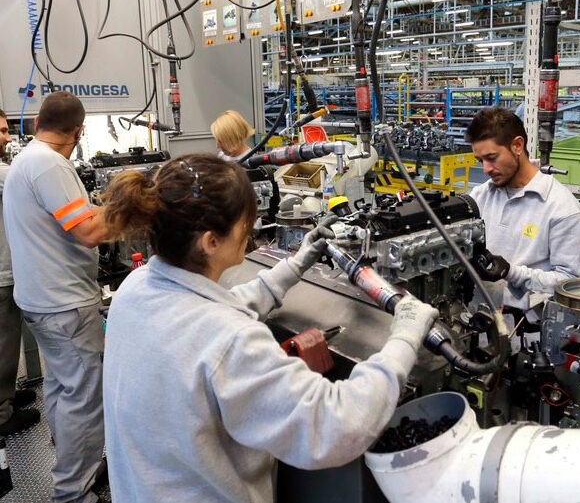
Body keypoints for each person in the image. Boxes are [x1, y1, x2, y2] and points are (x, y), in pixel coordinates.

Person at [99, 153, 438, 503]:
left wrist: (294, 266)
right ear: (210, 241)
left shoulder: (136, 287)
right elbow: (337, 425)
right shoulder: (229, 341)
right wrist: (404, 339)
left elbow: (212, 310)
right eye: (246, 221)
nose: (253, 227)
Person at [3, 92, 111, 503]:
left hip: (41, 299)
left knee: (63, 390)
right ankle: (72, 490)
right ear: (79, 132)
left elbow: (73, 218)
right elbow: (87, 232)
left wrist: (99, 207)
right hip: (64, 303)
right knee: (84, 400)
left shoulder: (28, 160)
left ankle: (74, 459)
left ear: (34, 124)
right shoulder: (50, 165)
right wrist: (130, 210)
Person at [466, 106, 580, 322]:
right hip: (477, 320)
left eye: (491, 157)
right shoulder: (480, 195)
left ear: (517, 145)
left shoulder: (562, 208)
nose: (485, 169)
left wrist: (511, 272)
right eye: (480, 161)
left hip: (526, 331)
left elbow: (569, 283)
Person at [0, 108, 40, 436]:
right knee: (3, 342)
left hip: (7, 268)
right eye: (0, 131)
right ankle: (2, 413)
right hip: (2, 272)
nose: (7, 137)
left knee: (7, 342)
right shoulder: (4, 173)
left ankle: (7, 395)